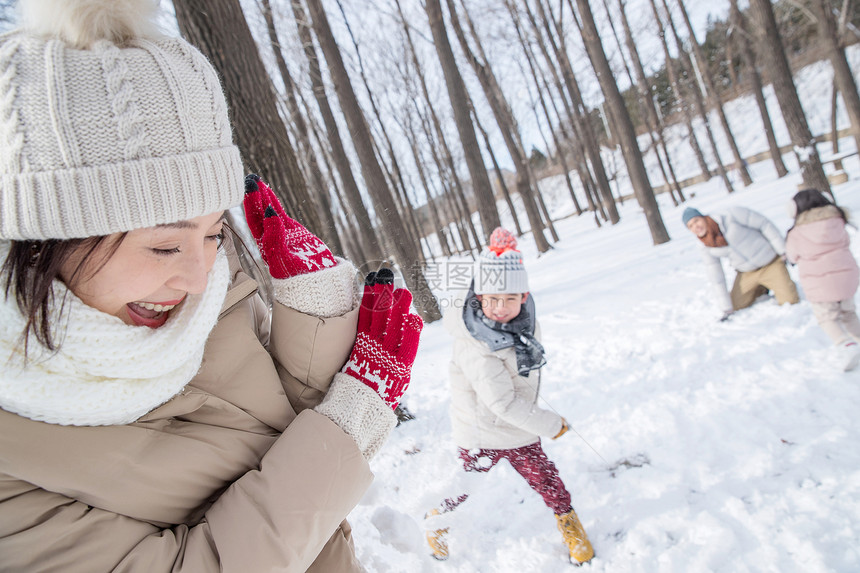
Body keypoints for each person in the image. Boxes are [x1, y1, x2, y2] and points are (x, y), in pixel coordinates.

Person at [0, 1, 422, 571]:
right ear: (37, 241)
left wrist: (316, 323)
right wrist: (349, 425)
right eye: (165, 245)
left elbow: (262, 441)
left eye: (215, 234)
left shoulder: (205, 298)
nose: (199, 277)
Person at [424, 228, 594, 565]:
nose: (500, 308)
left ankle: (571, 526)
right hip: (482, 431)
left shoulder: (523, 323)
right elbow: (501, 403)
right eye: (492, 300)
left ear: (524, 297)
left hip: (518, 427)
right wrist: (551, 423)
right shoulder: (477, 343)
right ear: (479, 299)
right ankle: (437, 524)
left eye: (510, 299)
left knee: (547, 479)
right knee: (465, 486)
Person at [785, 189, 860, 371]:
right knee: (848, 313)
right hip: (847, 277)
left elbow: (792, 256)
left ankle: (846, 345)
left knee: (827, 317)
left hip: (820, 283)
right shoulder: (837, 220)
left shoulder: (797, 232)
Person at [683, 206, 799, 321]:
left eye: (696, 221)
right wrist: (726, 308)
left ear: (703, 217)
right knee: (736, 305)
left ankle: (780, 282)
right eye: (690, 226)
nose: (696, 227)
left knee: (790, 301)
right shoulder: (705, 246)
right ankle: (761, 287)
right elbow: (716, 276)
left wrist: (782, 250)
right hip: (746, 272)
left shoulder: (730, 216)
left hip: (769, 262)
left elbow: (764, 224)